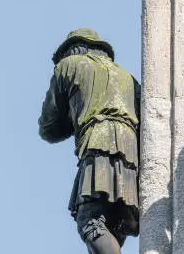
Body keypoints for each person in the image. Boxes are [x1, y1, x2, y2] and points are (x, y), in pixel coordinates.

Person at [39, 28, 140, 254]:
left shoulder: (68, 65)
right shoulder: (127, 78)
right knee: (114, 224)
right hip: (132, 155)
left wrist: (72, 114)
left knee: (90, 220)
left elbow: (48, 128)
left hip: (99, 143)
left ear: (72, 49)